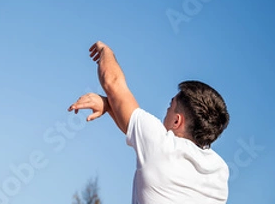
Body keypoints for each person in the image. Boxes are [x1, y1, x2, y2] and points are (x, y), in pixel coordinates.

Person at [68, 41, 230, 204]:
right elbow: (132, 127)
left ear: (176, 120)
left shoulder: (162, 147)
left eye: (170, 106)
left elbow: (113, 82)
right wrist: (109, 106)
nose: (166, 111)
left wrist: (105, 50)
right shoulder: (220, 172)